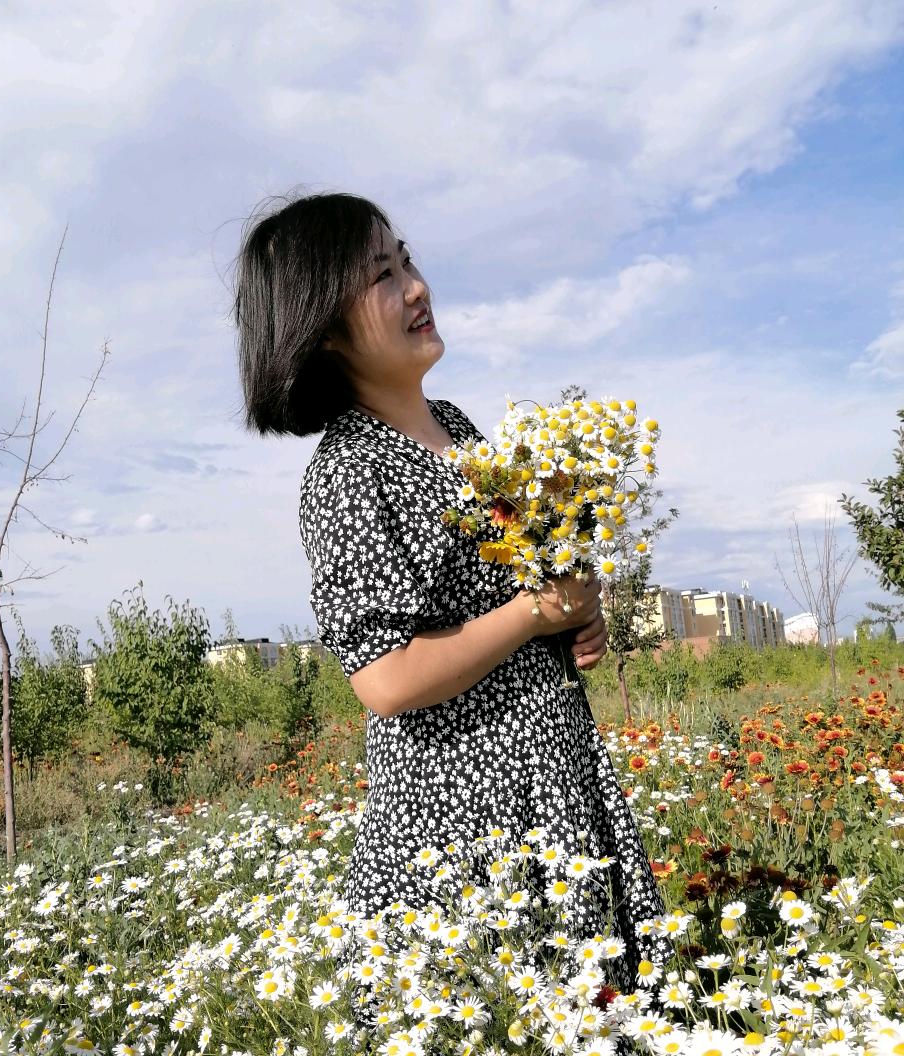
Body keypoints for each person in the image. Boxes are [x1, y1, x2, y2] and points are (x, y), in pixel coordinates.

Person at [232, 189, 672, 1047]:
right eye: (381, 276)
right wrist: (533, 612)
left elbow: (527, 585)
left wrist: (580, 612)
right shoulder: (351, 473)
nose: (415, 287)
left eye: (408, 261)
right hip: (463, 827)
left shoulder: (464, 432)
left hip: (551, 785)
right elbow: (387, 679)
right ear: (322, 328)